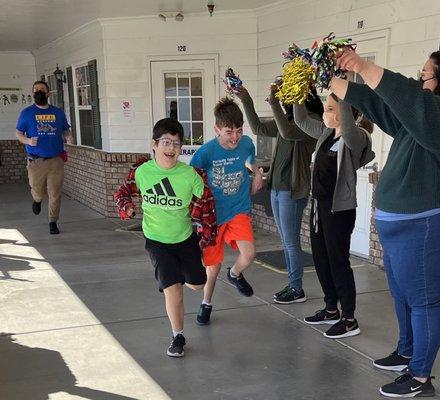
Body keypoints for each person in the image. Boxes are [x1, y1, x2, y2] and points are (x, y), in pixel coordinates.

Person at [330, 49, 440, 398]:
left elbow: (403, 95)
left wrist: (362, 65)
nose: (419, 80)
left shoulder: (434, 119)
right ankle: (406, 351)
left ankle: (420, 375)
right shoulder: (416, 120)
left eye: (425, 75)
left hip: (421, 225)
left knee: (424, 301)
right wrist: (334, 80)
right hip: (397, 225)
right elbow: (382, 105)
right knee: (402, 295)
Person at [114, 118, 217, 358]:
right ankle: (177, 336)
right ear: (154, 144)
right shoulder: (142, 172)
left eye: (176, 143)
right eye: (166, 142)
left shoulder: (190, 175)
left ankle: (180, 274)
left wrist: (206, 233)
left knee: (197, 284)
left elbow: (208, 204)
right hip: (157, 240)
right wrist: (127, 207)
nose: (171, 148)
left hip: (185, 239)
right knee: (173, 290)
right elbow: (122, 193)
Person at [291, 88, 374, 339]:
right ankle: (331, 309)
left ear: (344, 113)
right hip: (319, 207)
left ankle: (349, 319)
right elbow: (301, 120)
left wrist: (344, 90)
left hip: (339, 211)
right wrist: (296, 90)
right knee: (321, 259)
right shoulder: (327, 134)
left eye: (329, 109)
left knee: (338, 262)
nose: (324, 114)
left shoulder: (357, 137)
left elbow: (348, 131)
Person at [236, 84, 323, 304]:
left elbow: (285, 132)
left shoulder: (310, 122)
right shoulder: (291, 120)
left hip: (292, 190)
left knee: (291, 242)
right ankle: (293, 285)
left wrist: (274, 100)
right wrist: (245, 96)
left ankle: (297, 289)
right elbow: (257, 127)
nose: (285, 98)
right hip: (276, 187)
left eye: (289, 94)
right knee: (286, 241)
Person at [190, 97, 263, 325]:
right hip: (214, 216)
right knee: (212, 268)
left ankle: (235, 274)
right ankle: (206, 303)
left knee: (249, 254)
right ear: (217, 130)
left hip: (238, 209)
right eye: (229, 132)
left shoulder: (246, 144)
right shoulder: (206, 152)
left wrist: (257, 173)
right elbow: (192, 179)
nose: (235, 137)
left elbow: (250, 161)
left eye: (239, 131)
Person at [15, 80, 74, 234]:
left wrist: (68, 137)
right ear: (33, 94)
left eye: (42, 89)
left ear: (48, 93)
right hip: (36, 161)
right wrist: (28, 140)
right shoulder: (27, 113)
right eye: (36, 90)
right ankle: (37, 200)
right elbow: (18, 133)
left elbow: (65, 130)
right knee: (38, 191)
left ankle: (53, 222)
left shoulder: (58, 112)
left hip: (56, 160)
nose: (39, 92)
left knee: (55, 193)